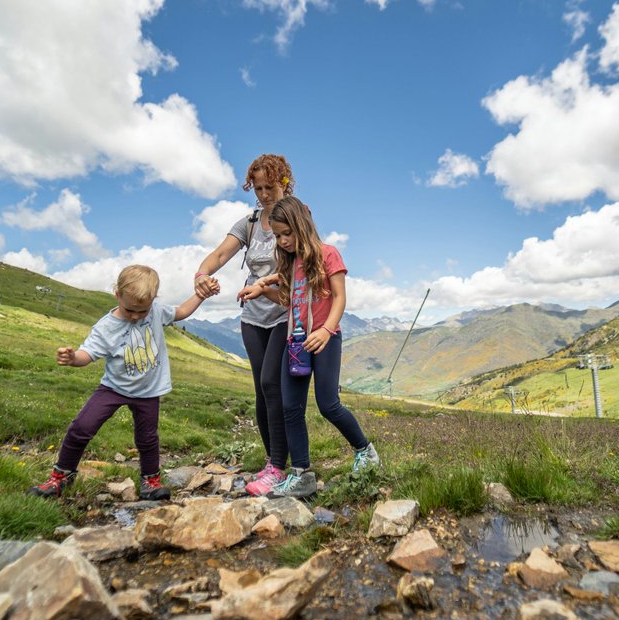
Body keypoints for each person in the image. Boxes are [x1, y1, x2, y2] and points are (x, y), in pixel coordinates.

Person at [237, 196, 379, 499]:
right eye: (277, 236)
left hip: (325, 339)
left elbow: (339, 298)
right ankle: (301, 473)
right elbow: (288, 301)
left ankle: (365, 451)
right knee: (291, 408)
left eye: (287, 233)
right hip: (296, 342)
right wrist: (261, 291)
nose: (283, 240)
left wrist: (327, 330)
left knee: (328, 405)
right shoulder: (288, 264)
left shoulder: (328, 254)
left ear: (302, 226)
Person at [29, 264, 210, 500]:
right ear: (117, 295)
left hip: (148, 391)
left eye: (142, 311)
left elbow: (182, 311)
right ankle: (61, 477)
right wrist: (73, 358)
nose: (135, 316)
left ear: (153, 301)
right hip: (113, 388)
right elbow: (88, 354)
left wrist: (201, 294)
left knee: (147, 438)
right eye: (129, 310)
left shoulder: (156, 311)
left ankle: (150, 481)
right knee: (81, 428)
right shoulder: (106, 327)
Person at [194, 154, 294, 497]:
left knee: (272, 383)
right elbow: (220, 254)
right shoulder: (249, 222)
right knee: (261, 391)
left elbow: (305, 262)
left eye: (270, 186)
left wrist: (265, 285)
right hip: (253, 318)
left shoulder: (297, 214)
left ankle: (279, 466)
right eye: (258, 188)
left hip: (285, 312)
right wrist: (202, 275)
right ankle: (272, 460)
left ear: (283, 182)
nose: (264, 194)